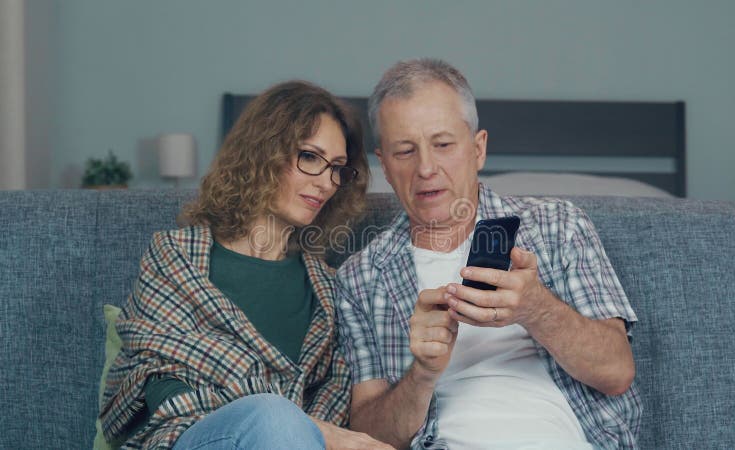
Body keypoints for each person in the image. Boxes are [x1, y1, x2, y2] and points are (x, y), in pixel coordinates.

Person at [335, 59, 642, 449]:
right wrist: (423, 374)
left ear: (478, 149)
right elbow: (369, 438)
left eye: (443, 144)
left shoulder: (558, 226)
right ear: (385, 165)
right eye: (405, 151)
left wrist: (536, 308)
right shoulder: (360, 278)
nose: (426, 168)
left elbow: (617, 372)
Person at [100, 81, 392, 449]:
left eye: (336, 168)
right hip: (191, 439)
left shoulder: (329, 290)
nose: (325, 182)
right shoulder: (176, 258)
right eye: (310, 157)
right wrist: (307, 425)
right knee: (275, 416)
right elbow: (163, 389)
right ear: (263, 152)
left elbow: (332, 398)